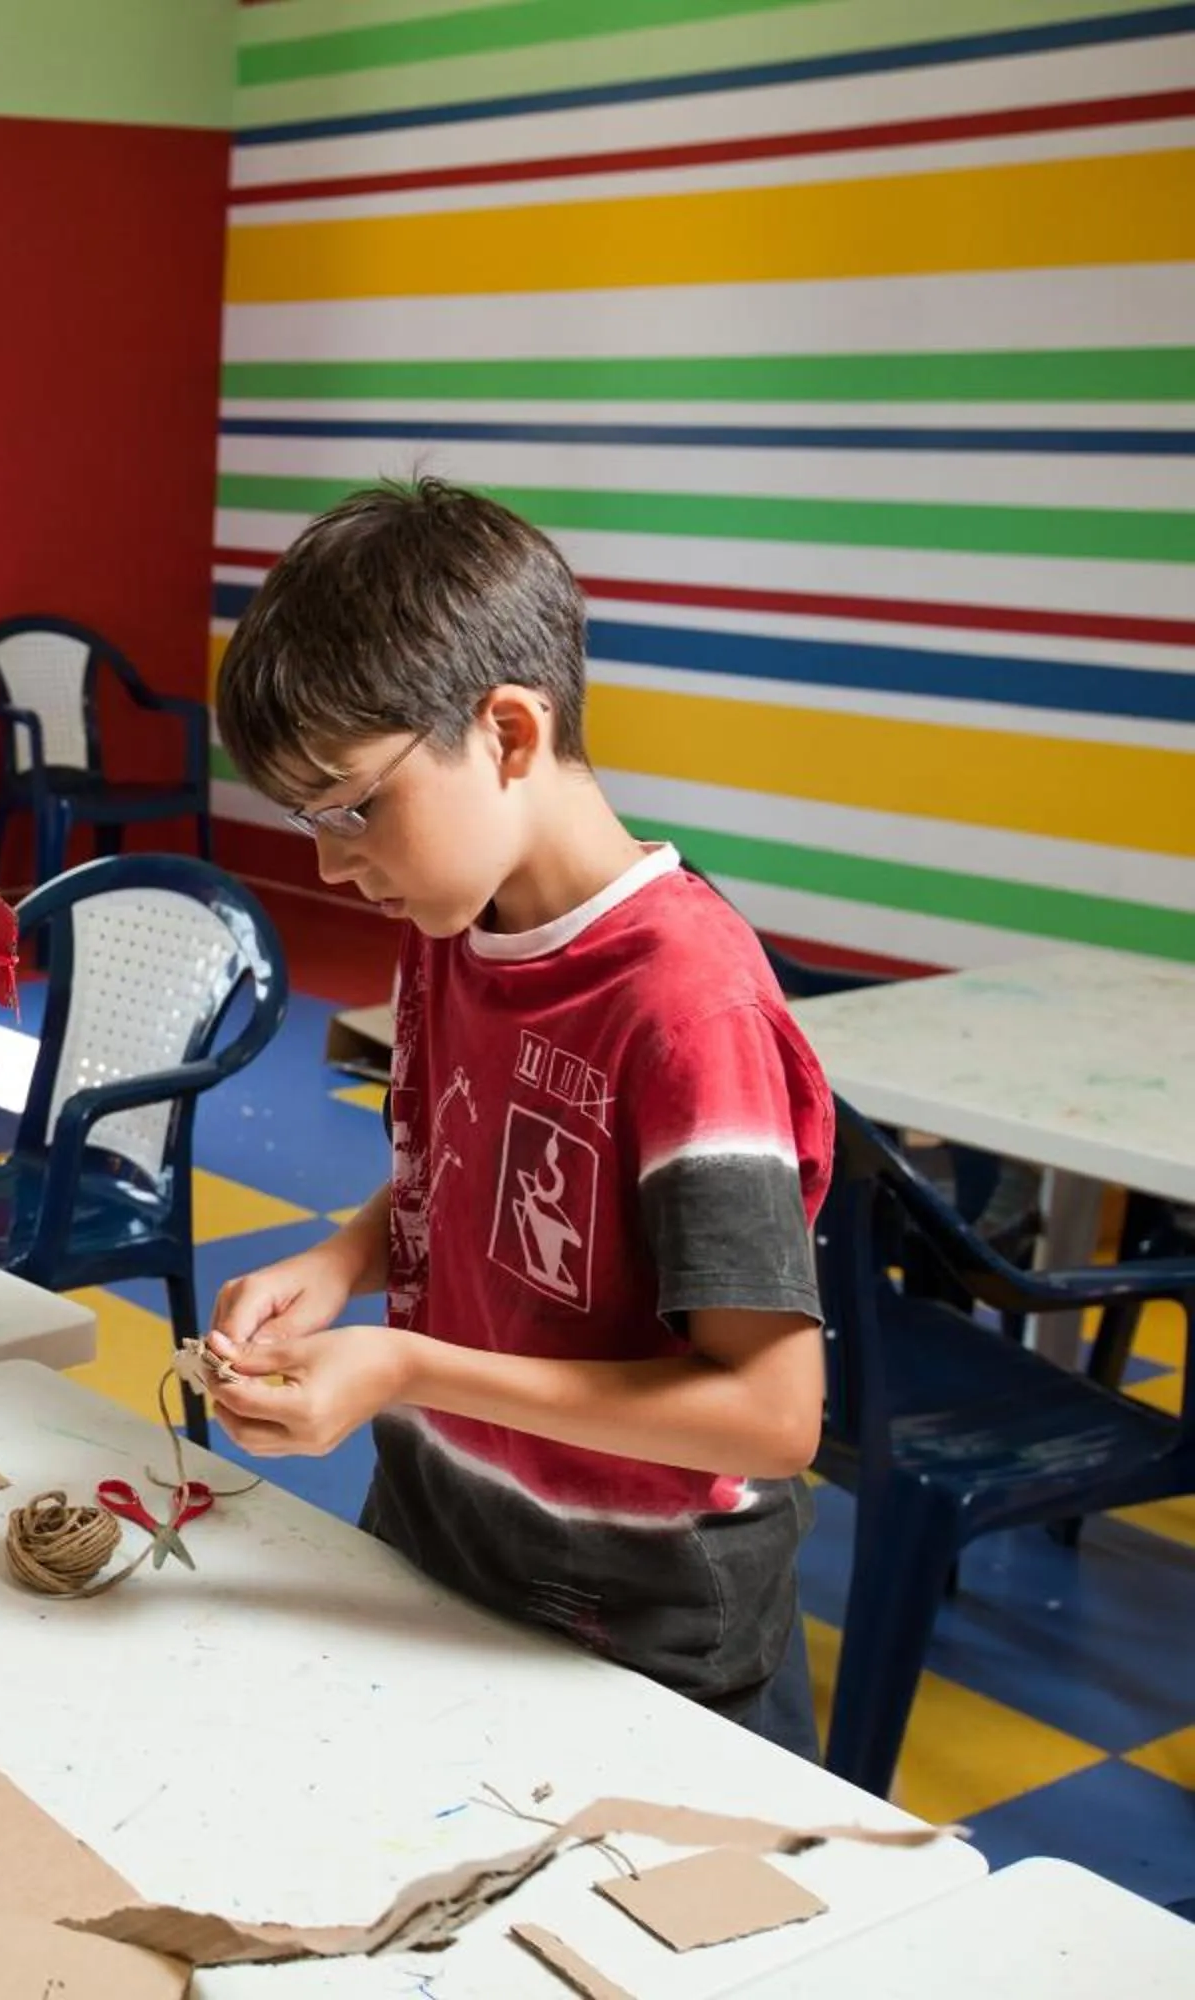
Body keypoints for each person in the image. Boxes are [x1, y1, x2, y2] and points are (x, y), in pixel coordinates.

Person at [197, 478, 833, 1754]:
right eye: (305, 818)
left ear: (507, 733)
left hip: (638, 1645)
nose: (331, 863)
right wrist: (344, 1258)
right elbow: (470, 1151)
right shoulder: (455, 919)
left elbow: (770, 1410)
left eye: (353, 804)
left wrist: (406, 1365)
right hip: (439, 1549)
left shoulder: (686, 1008)